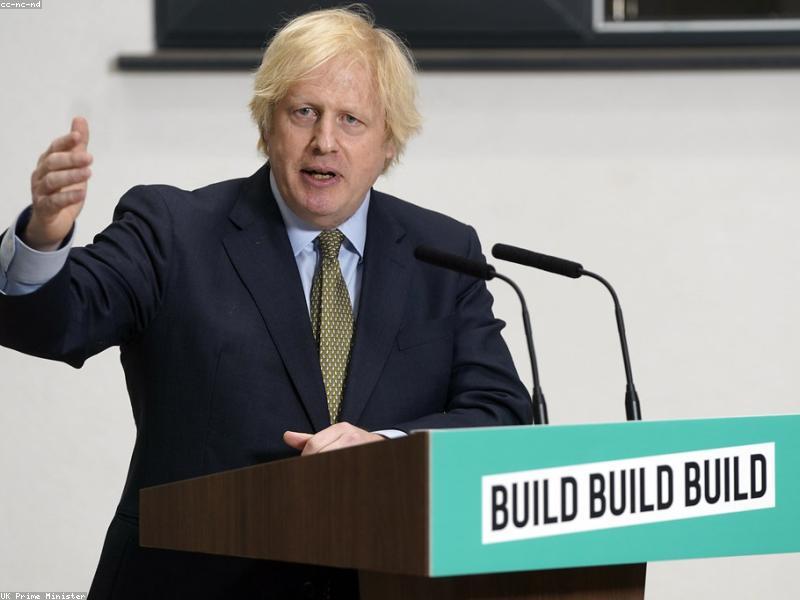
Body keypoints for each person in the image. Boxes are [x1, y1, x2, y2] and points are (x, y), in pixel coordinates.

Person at [0, 6, 531, 599]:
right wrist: (43, 235)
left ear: (387, 142)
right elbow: (55, 323)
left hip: (382, 582)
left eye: (351, 119)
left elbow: (503, 416)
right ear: (267, 124)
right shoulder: (174, 230)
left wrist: (386, 449)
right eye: (304, 112)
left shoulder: (444, 254)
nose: (324, 141)